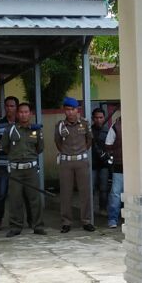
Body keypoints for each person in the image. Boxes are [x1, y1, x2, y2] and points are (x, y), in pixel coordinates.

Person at [0, 102, 45, 236]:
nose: (23, 114)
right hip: (15, 170)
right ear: (17, 114)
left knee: (35, 199)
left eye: (26, 112)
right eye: (21, 112)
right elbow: (5, 147)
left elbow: (40, 148)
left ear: (30, 114)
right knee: (15, 199)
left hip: (31, 169)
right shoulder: (10, 129)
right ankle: (15, 227)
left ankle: (38, 226)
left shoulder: (36, 130)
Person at [54, 97, 94, 233]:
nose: (70, 112)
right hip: (66, 162)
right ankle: (66, 222)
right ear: (64, 111)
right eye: (67, 110)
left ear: (77, 110)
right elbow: (58, 142)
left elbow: (89, 140)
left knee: (85, 192)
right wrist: (67, 152)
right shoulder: (60, 125)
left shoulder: (84, 123)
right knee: (66, 192)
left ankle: (86, 221)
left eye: (72, 109)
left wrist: (81, 151)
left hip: (81, 161)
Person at [0, 96, 19, 230]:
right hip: (3, 164)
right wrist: (3, 153)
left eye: (12, 106)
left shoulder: (22, 122)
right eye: (7, 106)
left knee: (20, 193)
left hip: (19, 164)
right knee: (1, 193)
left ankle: (21, 220)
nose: (9, 108)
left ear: (16, 107)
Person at [104, 103, 125, 229]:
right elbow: (108, 144)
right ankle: (113, 218)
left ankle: (129, 217)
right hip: (119, 164)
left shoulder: (138, 124)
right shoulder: (116, 126)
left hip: (135, 167)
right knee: (116, 193)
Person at [91, 107, 111, 215]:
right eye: (96, 117)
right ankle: (90, 210)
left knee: (104, 189)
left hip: (104, 165)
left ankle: (103, 209)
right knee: (91, 188)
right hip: (92, 165)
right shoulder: (89, 131)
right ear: (93, 119)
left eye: (101, 117)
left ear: (104, 118)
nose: (99, 120)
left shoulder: (108, 131)